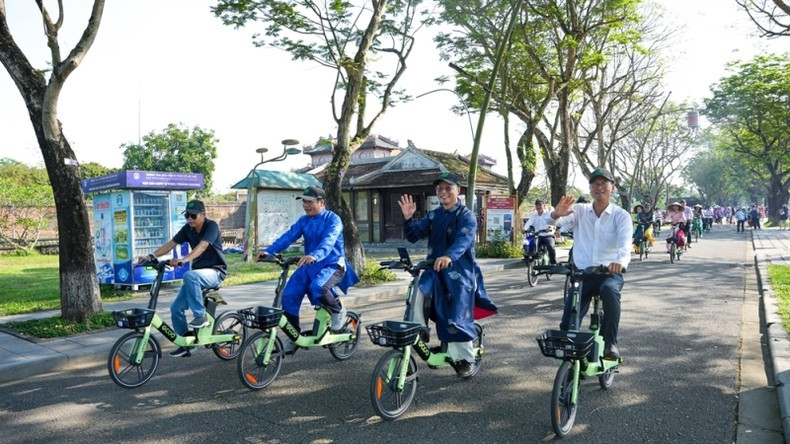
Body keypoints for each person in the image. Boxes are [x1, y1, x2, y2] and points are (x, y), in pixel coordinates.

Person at [398, 171, 496, 377]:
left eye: (448, 188)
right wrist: (408, 218)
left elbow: (463, 241)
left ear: (458, 191)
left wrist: (449, 256)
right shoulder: (433, 215)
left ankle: (466, 360)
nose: (443, 192)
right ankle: (418, 329)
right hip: (435, 270)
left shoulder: (466, 216)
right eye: (440, 189)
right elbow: (414, 236)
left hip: (460, 273)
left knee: (455, 317)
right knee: (418, 290)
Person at [257, 186, 359, 353]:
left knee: (318, 287)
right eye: (303, 201)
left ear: (321, 202)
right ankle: (294, 336)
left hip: (332, 264)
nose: (305, 205)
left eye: (309, 202)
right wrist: (269, 251)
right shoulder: (304, 221)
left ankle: (338, 311)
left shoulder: (333, 219)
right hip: (309, 266)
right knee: (288, 295)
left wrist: (315, 255)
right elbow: (288, 237)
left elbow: (329, 240)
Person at [548, 168, 631, 360]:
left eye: (604, 183)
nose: (599, 187)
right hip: (582, 275)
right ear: (590, 188)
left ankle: (611, 342)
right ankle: (573, 360)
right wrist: (555, 215)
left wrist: (620, 262)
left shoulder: (621, 216)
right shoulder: (579, 210)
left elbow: (625, 245)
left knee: (610, 292)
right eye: (595, 184)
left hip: (609, 273)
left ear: (612, 187)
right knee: (568, 321)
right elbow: (554, 222)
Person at [138, 199, 227, 357]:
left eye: (193, 215)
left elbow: (203, 246)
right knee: (175, 309)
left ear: (203, 215)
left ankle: (200, 316)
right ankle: (187, 344)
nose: (190, 219)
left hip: (215, 272)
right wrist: (150, 256)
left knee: (189, 275)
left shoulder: (211, 226)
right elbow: (171, 244)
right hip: (197, 277)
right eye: (187, 215)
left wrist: (184, 260)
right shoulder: (188, 229)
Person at [524, 199, 558, 265]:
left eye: (540, 205)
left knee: (551, 247)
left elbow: (553, 222)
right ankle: (530, 261)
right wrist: (524, 228)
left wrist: (550, 227)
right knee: (530, 245)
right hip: (538, 236)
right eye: (537, 205)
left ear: (544, 206)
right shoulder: (534, 215)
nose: (538, 207)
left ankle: (553, 263)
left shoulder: (548, 214)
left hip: (548, 235)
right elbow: (529, 222)